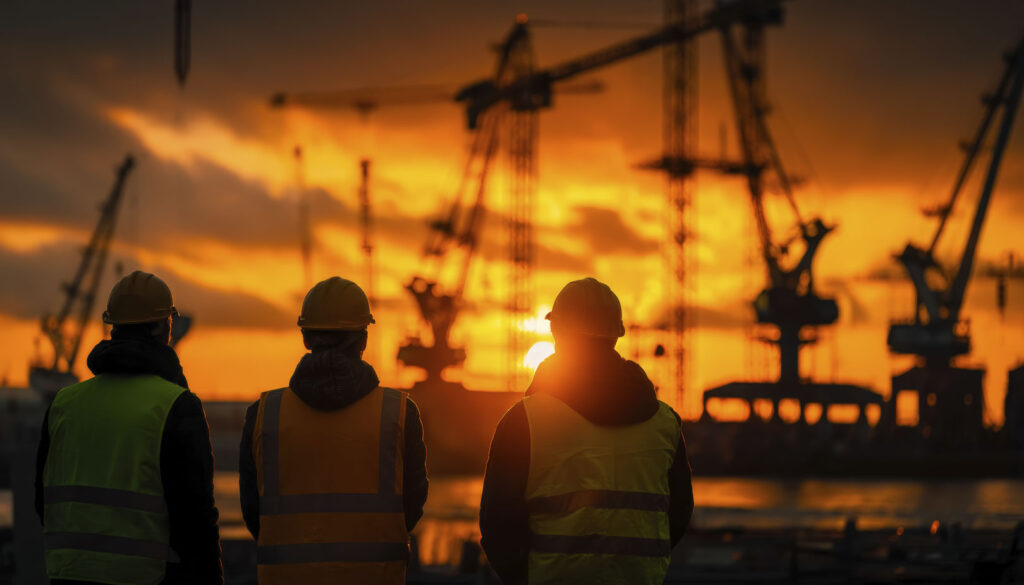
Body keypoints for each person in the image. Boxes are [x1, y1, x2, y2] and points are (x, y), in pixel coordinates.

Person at [480, 277, 694, 585]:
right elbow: (677, 514)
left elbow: (497, 523)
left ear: (556, 331)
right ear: (616, 333)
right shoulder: (665, 423)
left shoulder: (524, 422)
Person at [35, 270, 222, 585]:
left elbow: (43, 502)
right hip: (143, 577)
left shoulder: (64, 404)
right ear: (165, 327)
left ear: (112, 328)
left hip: (70, 574)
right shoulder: (176, 405)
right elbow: (196, 520)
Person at [239, 276, 428, 584]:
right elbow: (412, 505)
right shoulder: (399, 414)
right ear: (363, 340)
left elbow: (253, 511)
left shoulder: (264, 414)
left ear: (306, 338)